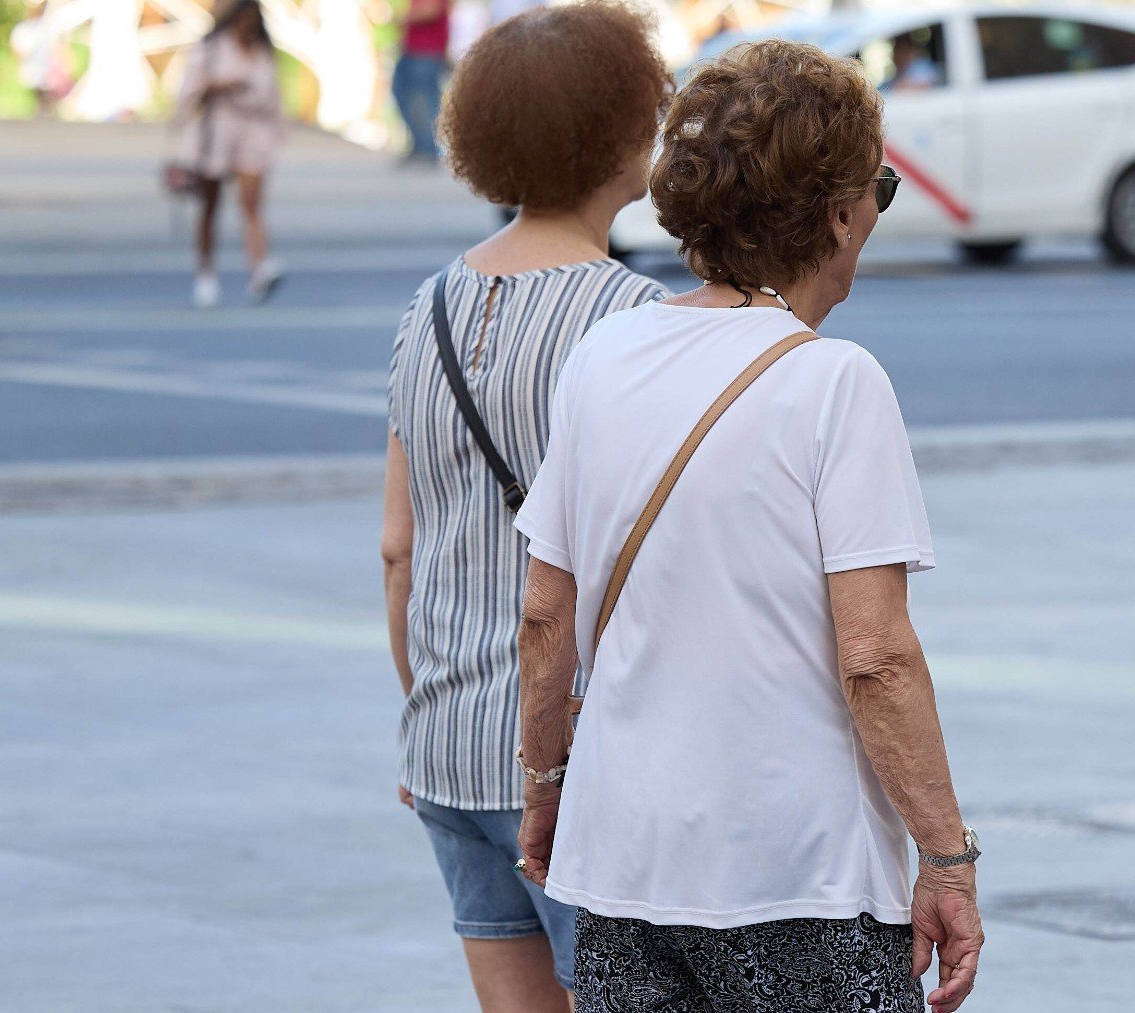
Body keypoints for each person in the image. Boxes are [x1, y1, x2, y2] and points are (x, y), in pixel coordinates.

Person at [512, 40, 985, 1013]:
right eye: (878, 194)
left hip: (623, 859)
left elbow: (543, 616)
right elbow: (876, 658)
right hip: (795, 872)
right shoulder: (834, 381)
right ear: (838, 212)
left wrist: (547, 778)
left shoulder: (607, 354)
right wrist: (946, 854)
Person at [379, 4, 672, 1010]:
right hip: (574, 761)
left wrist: (425, 706)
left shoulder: (428, 307)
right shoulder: (637, 320)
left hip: (448, 747)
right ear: (625, 138)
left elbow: (396, 546)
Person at [175, 0, 285, 309]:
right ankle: (206, 273)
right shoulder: (211, 48)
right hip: (217, 134)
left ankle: (259, 266)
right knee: (210, 205)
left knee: (251, 202)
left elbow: (273, 98)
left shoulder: (262, 52)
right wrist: (218, 87)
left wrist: (277, 137)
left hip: (253, 134)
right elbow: (186, 95)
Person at [391, 0, 449, 164]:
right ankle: (419, 145)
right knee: (402, 92)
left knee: (422, 99)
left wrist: (400, 19)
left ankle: (428, 148)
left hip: (427, 50)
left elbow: (431, 10)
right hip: (412, 49)